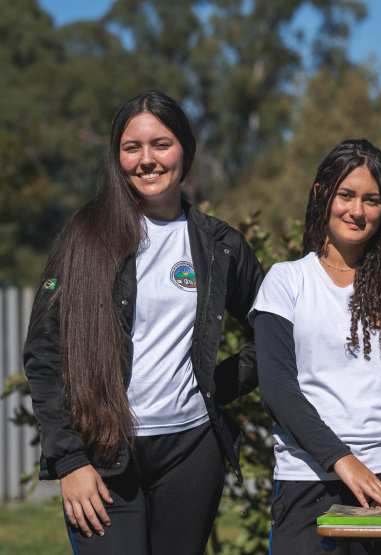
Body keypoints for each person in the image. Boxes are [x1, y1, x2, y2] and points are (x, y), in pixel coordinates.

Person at [22, 90, 264, 554]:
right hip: (102, 454)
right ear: (117, 157)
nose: (147, 159)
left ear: (185, 150)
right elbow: (43, 352)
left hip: (190, 452)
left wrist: (212, 386)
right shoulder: (83, 236)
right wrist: (69, 460)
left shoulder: (220, 245)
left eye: (161, 144)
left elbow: (272, 333)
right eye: (132, 147)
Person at [252, 139, 381, 554]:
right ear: (321, 194)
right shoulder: (286, 281)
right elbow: (278, 390)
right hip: (307, 482)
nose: (357, 210)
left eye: (371, 200)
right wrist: (342, 459)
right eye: (346, 195)